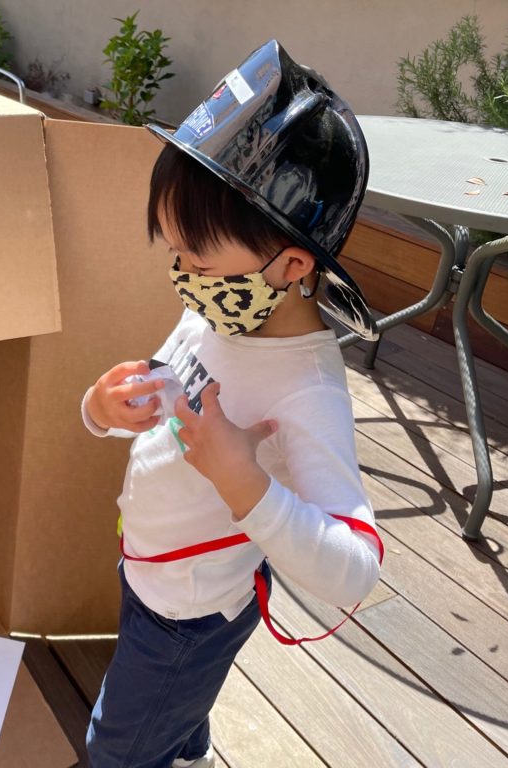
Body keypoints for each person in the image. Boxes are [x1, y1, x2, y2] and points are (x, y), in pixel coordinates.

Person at [81, 41, 384, 768]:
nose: (181, 274)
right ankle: (187, 741)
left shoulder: (304, 388)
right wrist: (101, 406)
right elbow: (166, 383)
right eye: (175, 254)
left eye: (198, 258)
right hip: (149, 571)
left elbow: (355, 567)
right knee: (169, 711)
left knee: (116, 747)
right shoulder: (219, 309)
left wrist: (243, 479)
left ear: (291, 263)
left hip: (189, 613)